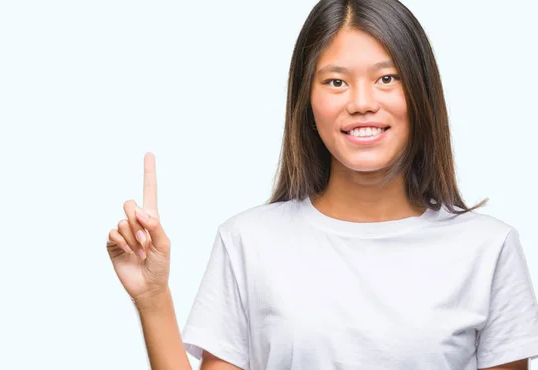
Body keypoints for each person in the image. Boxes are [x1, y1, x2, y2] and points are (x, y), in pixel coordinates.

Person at [106, 0, 538, 369]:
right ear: (306, 101)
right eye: (336, 82)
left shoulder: (489, 249)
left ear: (420, 93)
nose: (362, 103)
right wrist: (153, 298)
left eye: (387, 78)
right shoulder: (248, 242)